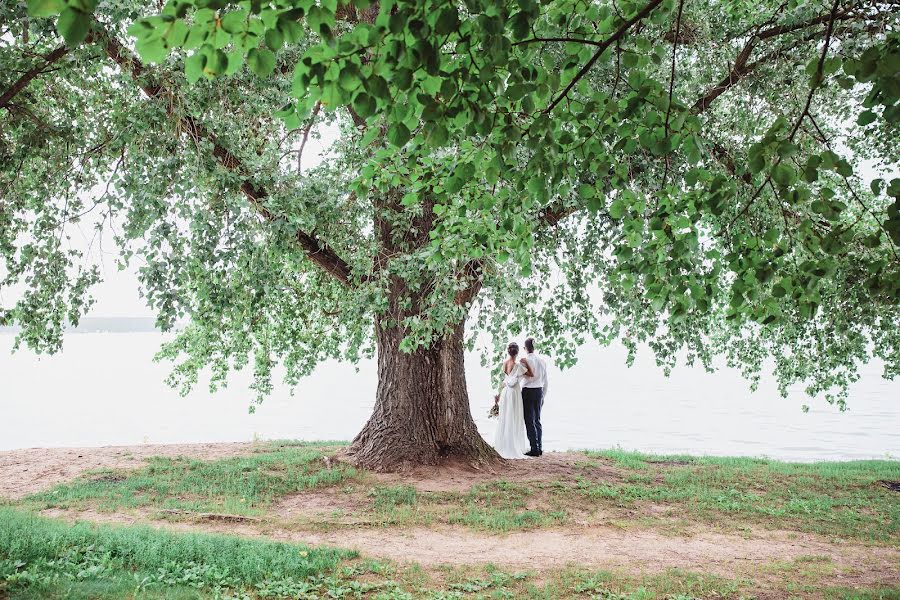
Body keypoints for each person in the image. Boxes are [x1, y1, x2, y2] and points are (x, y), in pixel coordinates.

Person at [492, 342, 533, 459]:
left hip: (505, 392)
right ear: (517, 352)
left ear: (508, 351)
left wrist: (498, 396)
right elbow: (531, 374)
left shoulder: (505, 364)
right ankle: (513, 445)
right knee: (514, 417)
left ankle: (505, 445)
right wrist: (527, 363)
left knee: (506, 418)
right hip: (514, 393)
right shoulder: (519, 366)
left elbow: (504, 381)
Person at [520, 337, 548, 457]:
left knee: (529, 420)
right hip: (539, 391)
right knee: (537, 420)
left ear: (525, 348)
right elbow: (545, 380)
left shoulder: (524, 361)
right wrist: (543, 396)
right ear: (534, 347)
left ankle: (534, 448)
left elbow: (519, 377)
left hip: (528, 391)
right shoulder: (542, 361)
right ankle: (539, 447)